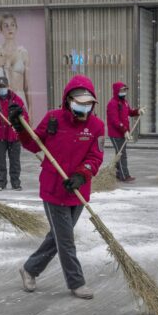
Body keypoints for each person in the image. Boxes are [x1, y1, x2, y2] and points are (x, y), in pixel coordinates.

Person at [16, 75, 104, 300]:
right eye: (79, 102)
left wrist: (82, 174)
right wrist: (20, 126)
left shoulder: (96, 126)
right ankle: (77, 282)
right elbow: (32, 144)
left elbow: (96, 156)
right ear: (67, 100)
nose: (83, 107)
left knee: (57, 237)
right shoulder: (53, 119)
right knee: (65, 240)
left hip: (78, 191)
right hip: (53, 190)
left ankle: (29, 269)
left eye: (88, 103)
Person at [0, 12, 32, 117]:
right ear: (0, 30)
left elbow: (27, 87)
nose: (10, 28)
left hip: (19, 99)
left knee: (20, 132)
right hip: (2, 101)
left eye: (12, 25)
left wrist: (30, 111)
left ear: (16, 28)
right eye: (6, 25)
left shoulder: (23, 53)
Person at [105, 81, 142, 182]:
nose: (124, 92)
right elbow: (114, 120)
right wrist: (124, 130)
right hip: (116, 134)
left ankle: (118, 173)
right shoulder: (112, 104)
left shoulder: (124, 102)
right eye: (122, 90)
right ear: (117, 91)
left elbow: (129, 112)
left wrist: (137, 111)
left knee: (120, 153)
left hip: (123, 133)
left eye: (125, 90)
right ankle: (124, 176)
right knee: (122, 154)